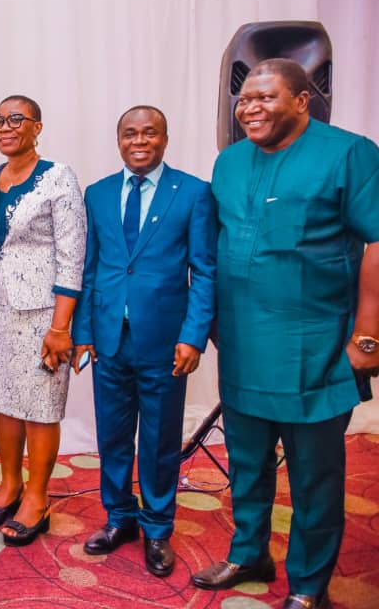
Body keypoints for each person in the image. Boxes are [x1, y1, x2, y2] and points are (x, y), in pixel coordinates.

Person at [191, 59, 379, 609]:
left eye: (266, 97)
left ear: (302, 101)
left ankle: (308, 585)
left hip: (314, 350)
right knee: (247, 463)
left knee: (315, 478)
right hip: (244, 348)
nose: (251, 108)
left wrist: (368, 336)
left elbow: (378, 242)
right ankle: (249, 551)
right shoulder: (227, 163)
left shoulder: (349, 153)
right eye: (245, 99)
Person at [72, 105, 216, 576]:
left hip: (165, 341)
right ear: (119, 141)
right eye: (130, 134)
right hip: (110, 338)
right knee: (113, 436)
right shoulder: (98, 193)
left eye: (149, 133)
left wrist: (194, 336)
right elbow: (91, 268)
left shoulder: (194, 193)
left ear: (165, 139)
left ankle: (157, 529)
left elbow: (205, 271)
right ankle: (119, 518)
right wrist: (85, 333)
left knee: (158, 440)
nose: (139, 141)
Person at [0, 95, 86, 547]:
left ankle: (37, 496)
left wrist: (61, 326)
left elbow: (72, 255)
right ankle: (9, 484)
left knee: (40, 404)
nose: (5, 126)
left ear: (37, 127)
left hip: (43, 312)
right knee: (4, 398)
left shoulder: (59, 178)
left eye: (16, 119)